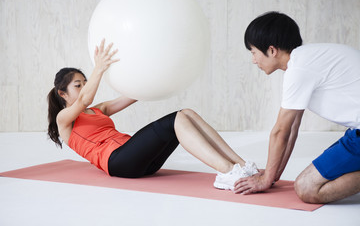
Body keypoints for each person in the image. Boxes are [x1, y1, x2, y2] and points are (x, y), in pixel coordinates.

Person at [47, 39, 258, 190]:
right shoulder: (64, 120)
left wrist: (158, 71)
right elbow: (85, 99)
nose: (83, 88)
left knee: (187, 114)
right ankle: (227, 171)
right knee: (176, 119)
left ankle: (241, 166)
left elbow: (134, 94)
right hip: (118, 162)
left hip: (140, 162)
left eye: (85, 83)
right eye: (78, 85)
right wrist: (99, 69)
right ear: (62, 93)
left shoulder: (96, 110)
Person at [234, 11, 360, 204]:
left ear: (271, 50)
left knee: (307, 188)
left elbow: (280, 131)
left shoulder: (299, 68)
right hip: (356, 132)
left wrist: (265, 180)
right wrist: (272, 174)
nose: (253, 60)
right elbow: (292, 128)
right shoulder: (306, 60)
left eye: (253, 52)